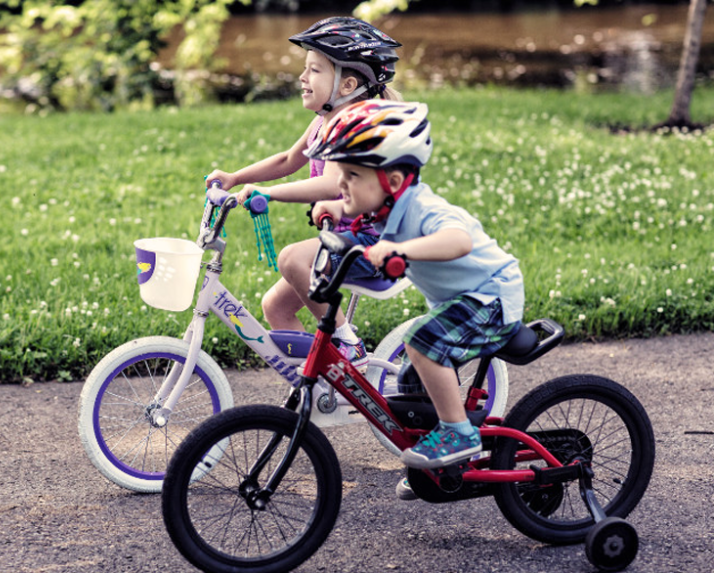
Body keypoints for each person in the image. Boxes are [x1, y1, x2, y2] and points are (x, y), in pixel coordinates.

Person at [308, 99, 525, 497]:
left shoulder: (425, 208)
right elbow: (357, 217)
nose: (341, 182)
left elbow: (456, 240)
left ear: (391, 180)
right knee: (409, 380)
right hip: (461, 302)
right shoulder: (384, 211)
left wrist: (402, 252)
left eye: (351, 174)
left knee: (421, 343)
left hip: (491, 298)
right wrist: (335, 209)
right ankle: (436, 472)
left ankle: (459, 436)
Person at [206, 17, 403, 371]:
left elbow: (331, 184)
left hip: (374, 245)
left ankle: (347, 345)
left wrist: (271, 193)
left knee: (293, 259)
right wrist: (235, 177)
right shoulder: (322, 123)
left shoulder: (353, 126)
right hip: (344, 239)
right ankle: (333, 385)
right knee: (275, 307)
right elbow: (287, 160)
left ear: (348, 84)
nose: (302, 78)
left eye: (314, 70)